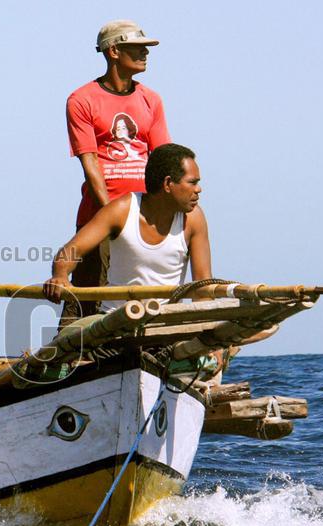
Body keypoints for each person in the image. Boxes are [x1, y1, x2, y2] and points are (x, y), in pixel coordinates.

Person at [65, 19, 171, 317]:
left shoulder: (151, 99)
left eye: (145, 48)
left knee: (146, 296)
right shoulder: (82, 100)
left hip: (145, 217)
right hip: (99, 218)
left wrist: (162, 214)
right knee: (87, 304)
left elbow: (163, 159)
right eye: (137, 48)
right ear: (113, 51)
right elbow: (90, 163)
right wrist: (112, 217)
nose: (145, 53)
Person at [43, 143, 211, 312]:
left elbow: (203, 286)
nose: (199, 189)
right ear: (168, 183)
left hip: (167, 322)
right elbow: (71, 251)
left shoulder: (194, 219)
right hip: (116, 320)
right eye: (192, 182)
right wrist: (60, 275)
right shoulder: (121, 211)